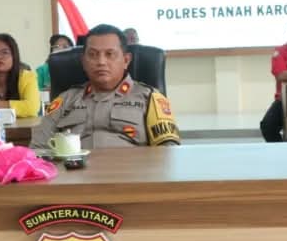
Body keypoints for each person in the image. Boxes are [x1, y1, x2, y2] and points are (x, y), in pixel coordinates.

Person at [31, 24, 179, 149]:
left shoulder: (150, 99)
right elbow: (37, 149)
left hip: (132, 179)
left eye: (110, 54)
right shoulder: (65, 100)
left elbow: (168, 154)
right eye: (93, 55)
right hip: (74, 179)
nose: (101, 62)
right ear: (83, 61)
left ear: (126, 60)